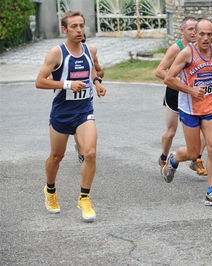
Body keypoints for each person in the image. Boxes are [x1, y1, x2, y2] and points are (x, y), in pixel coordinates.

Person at [35, 10, 107, 221]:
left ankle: (84, 198)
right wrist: (67, 84)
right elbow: (40, 81)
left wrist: (97, 82)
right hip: (61, 112)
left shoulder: (90, 50)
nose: (79, 30)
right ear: (64, 29)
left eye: (81, 26)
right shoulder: (56, 53)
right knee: (57, 157)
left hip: (84, 111)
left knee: (90, 153)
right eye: (74, 26)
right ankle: (50, 190)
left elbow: (92, 70)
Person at [163, 18, 212, 206]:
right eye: (202, 34)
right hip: (190, 108)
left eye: (209, 34)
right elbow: (169, 78)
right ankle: (174, 159)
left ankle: (211, 192)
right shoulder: (186, 54)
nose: (206, 38)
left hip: (210, 107)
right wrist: (191, 90)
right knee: (193, 154)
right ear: (195, 35)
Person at [155, 17, 208, 177]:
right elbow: (159, 71)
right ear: (182, 30)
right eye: (190, 29)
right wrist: (177, 80)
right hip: (175, 93)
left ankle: (195, 158)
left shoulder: (200, 48)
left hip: (194, 95)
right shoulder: (176, 49)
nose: (193, 32)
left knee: (205, 130)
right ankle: (164, 157)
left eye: (195, 29)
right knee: (171, 132)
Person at [74, 33, 104, 164]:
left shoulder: (90, 52)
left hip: (86, 96)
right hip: (69, 96)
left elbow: (99, 71)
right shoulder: (62, 53)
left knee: (82, 122)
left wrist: (97, 81)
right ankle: (81, 150)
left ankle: (84, 151)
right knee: (75, 124)